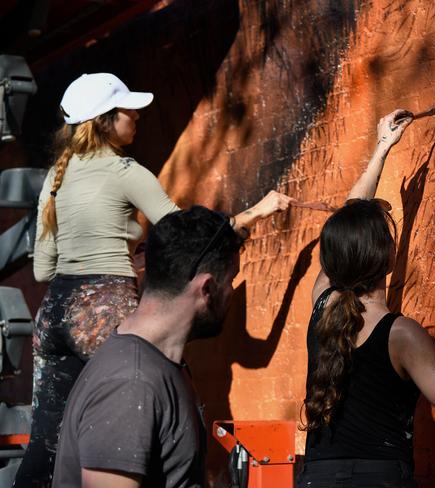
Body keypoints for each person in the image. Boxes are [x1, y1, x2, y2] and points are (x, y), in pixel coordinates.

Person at [15, 73, 293, 487]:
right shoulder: (125, 170)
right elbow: (188, 239)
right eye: (129, 108)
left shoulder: (57, 174)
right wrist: (255, 213)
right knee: (169, 398)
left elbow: (42, 270)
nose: (137, 115)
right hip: (104, 305)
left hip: (53, 313)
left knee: (46, 447)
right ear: (106, 119)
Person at [299, 110, 435, 487]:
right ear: (388, 256)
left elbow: (347, 224)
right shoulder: (400, 334)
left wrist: (382, 149)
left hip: (315, 479)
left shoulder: (323, 303)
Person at [52, 206, 241, 487]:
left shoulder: (158, 365)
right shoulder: (131, 383)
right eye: (231, 280)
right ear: (208, 288)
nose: (232, 292)